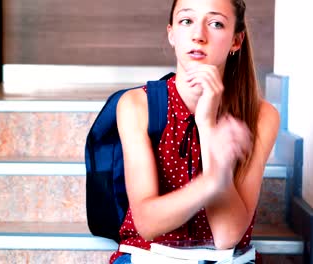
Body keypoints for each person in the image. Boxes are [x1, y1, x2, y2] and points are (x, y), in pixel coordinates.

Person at [110, 0, 280, 263]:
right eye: (186, 21)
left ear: (236, 41)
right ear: (171, 33)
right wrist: (211, 181)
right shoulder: (136, 105)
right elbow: (147, 223)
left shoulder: (261, 116)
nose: (198, 35)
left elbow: (226, 236)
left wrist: (207, 124)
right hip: (149, 256)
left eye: (215, 24)